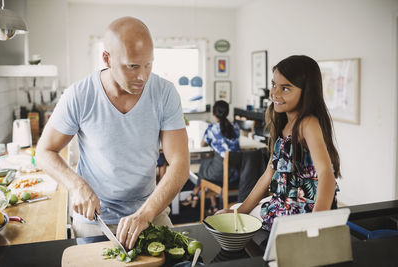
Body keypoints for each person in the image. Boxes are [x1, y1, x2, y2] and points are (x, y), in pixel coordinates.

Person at [36, 16, 190, 250]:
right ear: (107, 58)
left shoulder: (165, 93)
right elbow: (44, 152)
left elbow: (180, 163)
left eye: (149, 64)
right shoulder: (79, 94)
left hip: (150, 211)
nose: (143, 76)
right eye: (133, 66)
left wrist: (145, 214)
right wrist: (76, 186)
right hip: (95, 220)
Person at [217, 55, 340, 244]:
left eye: (285, 88)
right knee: (235, 212)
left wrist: (317, 221)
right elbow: (268, 174)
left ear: (306, 92)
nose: (275, 93)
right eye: (274, 84)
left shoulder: (308, 123)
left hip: (301, 215)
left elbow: (326, 174)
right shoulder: (283, 125)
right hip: (281, 206)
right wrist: (237, 211)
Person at [182, 100, 240, 215]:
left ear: (213, 113)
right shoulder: (235, 127)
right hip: (234, 172)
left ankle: (194, 193)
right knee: (208, 162)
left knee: (204, 165)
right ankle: (212, 206)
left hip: (220, 173)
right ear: (227, 113)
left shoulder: (212, 129)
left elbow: (202, 144)